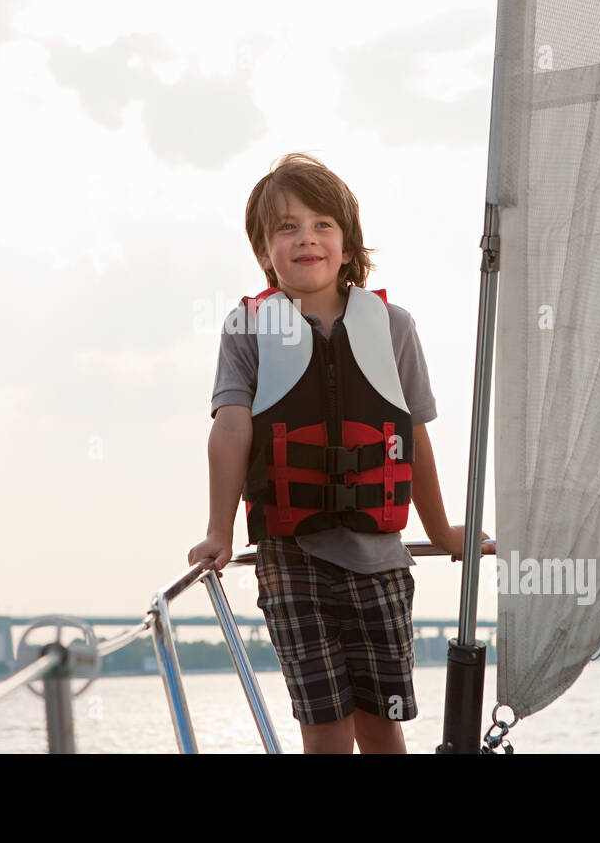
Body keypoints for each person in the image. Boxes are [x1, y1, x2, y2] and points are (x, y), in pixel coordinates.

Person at [187, 152, 495, 754]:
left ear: (348, 245)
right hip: (290, 561)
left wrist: (443, 531)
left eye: (323, 224)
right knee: (324, 730)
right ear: (263, 252)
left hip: (380, 562)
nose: (306, 238)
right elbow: (230, 430)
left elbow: (415, 441)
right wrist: (218, 532)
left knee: (383, 725)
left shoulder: (394, 326)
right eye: (286, 227)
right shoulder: (246, 329)